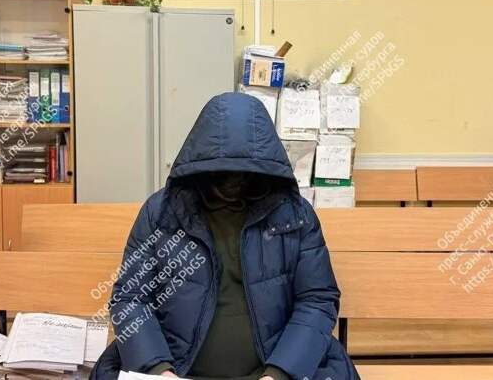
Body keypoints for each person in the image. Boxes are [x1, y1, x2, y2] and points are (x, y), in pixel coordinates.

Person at [90, 92, 359, 380]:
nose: (234, 179)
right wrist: (158, 371)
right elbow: (131, 298)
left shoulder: (294, 215)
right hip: (175, 370)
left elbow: (317, 299)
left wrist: (280, 373)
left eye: (244, 170)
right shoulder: (162, 213)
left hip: (279, 368)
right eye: (223, 169)